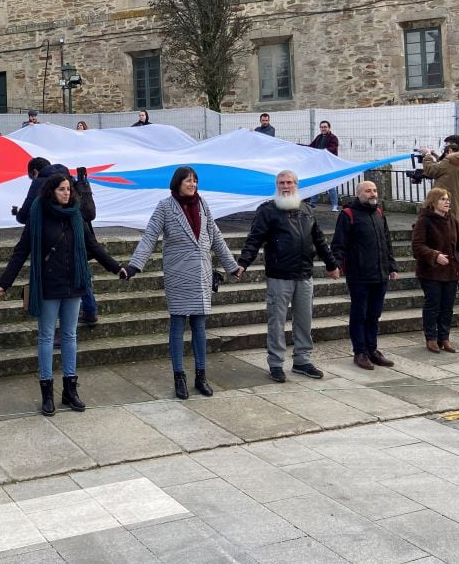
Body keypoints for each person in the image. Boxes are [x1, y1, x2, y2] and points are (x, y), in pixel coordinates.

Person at [0, 173, 124, 416]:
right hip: (48, 284)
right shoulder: (38, 214)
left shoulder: (76, 213)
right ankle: (46, 392)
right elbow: (21, 250)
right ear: (51, 191)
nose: (67, 193)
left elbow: (92, 245)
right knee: (45, 337)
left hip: (73, 282)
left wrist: (116, 267)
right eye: (62, 189)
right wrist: (4, 283)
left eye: (68, 189)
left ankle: (70, 389)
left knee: (69, 335)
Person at [126, 166, 241, 399]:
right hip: (178, 274)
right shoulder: (165, 206)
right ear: (177, 183)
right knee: (177, 326)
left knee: (199, 326)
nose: (192, 185)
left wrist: (231, 266)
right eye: (188, 181)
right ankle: (179, 376)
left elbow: (216, 236)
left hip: (201, 274)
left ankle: (201, 375)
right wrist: (134, 265)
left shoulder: (202, 204)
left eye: (195, 181)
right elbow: (150, 236)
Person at [237, 171, 339, 382]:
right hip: (279, 275)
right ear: (276, 185)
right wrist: (243, 263)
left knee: (304, 320)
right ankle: (276, 363)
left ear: (296, 185)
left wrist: (331, 264)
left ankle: (302, 360)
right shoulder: (267, 210)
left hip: (304, 274)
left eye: (289, 182)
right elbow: (254, 239)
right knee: (277, 322)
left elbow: (319, 240)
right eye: (282, 183)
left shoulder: (307, 210)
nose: (286, 186)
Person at [15, 159, 100, 323]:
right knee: (81, 272)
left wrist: (19, 213)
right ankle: (90, 310)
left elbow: (26, 214)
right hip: (79, 236)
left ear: (34, 172)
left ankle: (63, 324)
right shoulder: (67, 176)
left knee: (47, 332)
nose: (66, 192)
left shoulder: (41, 182)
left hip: (53, 242)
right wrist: (117, 268)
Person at [330, 180, 399, 370]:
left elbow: (386, 241)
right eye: (368, 191)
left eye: (375, 190)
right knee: (359, 314)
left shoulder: (379, 213)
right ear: (359, 194)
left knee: (374, 314)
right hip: (359, 274)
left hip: (380, 273)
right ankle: (359, 352)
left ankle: (372, 349)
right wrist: (335, 265)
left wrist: (391, 265)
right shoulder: (348, 214)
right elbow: (338, 244)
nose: (373, 194)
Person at [411, 188, 459, 354]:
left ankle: (444, 337)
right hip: (430, 271)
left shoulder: (451, 219)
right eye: (443, 199)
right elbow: (417, 246)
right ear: (433, 201)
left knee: (447, 306)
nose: (447, 202)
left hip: (450, 271)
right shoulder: (424, 220)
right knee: (433, 304)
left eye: (448, 199)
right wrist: (435, 255)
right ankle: (431, 338)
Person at [419, 142, 459, 289]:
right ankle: (458, 276)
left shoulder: (449, 162)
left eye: (446, 152)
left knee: (452, 244)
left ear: (450, 151)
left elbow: (431, 170)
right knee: (453, 240)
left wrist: (426, 156)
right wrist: (439, 157)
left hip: (441, 205)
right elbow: (451, 173)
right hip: (455, 204)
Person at [307, 121, 340, 211]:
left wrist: (322, 151)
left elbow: (333, 148)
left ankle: (335, 205)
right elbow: (311, 147)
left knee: (331, 185)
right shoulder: (318, 137)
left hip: (329, 165)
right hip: (319, 164)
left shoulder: (333, 138)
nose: (323, 129)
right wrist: (300, 146)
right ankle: (312, 203)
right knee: (316, 183)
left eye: (325, 127)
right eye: (321, 127)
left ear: (329, 128)